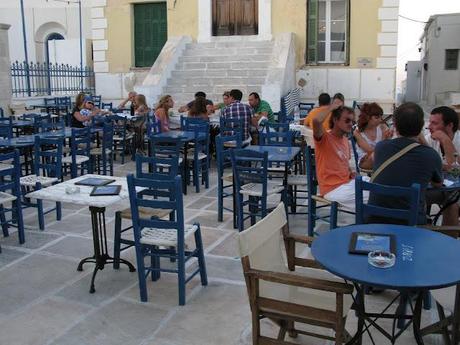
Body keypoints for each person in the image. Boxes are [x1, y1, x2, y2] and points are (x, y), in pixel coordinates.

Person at [369, 102, 448, 225]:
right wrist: (423, 141)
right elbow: (438, 184)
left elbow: (373, 161)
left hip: (376, 219)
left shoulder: (380, 147)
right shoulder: (430, 155)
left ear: (395, 125)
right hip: (410, 224)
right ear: (422, 125)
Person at [312, 98, 366, 211]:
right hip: (332, 189)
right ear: (335, 120)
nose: (351, 124)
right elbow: (316, 121)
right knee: (373, 196)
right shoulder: (325, 137)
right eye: (347, 120)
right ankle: (367, 225)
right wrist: (332, 107)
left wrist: (352, 173)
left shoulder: (345, 140)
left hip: (346, 184)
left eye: (352, 121)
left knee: (376, 183)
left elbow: (342, 164)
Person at [353, 102, 392, 170]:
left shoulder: (382, 127)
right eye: (377, 118)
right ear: (367, 117)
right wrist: (385, 139)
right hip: (365, 161)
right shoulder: (357, 132)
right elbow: (370, 150)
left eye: (381, 117)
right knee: (376, 156)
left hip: (379, 159)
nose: (380, 120)